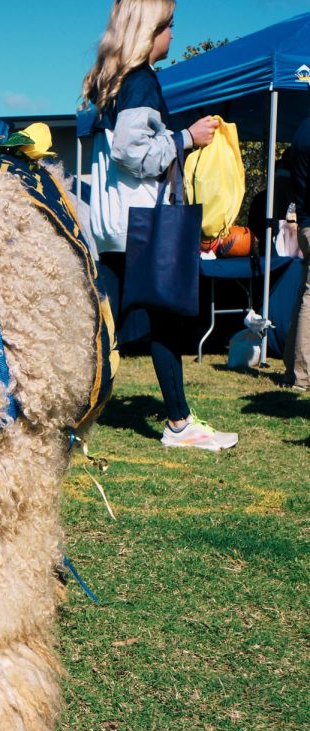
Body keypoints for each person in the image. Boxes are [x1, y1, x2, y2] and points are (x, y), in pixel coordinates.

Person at [82, 0, 238, 451]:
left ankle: (66, 413)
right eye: (169, 27)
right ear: (150, 31)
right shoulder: (142, 83)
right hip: (142, 225)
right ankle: (178, 422)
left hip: (113, 225)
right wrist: (188, 137)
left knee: (99, 322)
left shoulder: (108, 83)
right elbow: (133, 154)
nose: (174, 36)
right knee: (163, 318)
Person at [283, 114, 310, 391]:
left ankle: (293, 370)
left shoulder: (302, 130)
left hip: (305, 222)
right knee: (309, 299)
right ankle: (303, 376)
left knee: (305, 295)